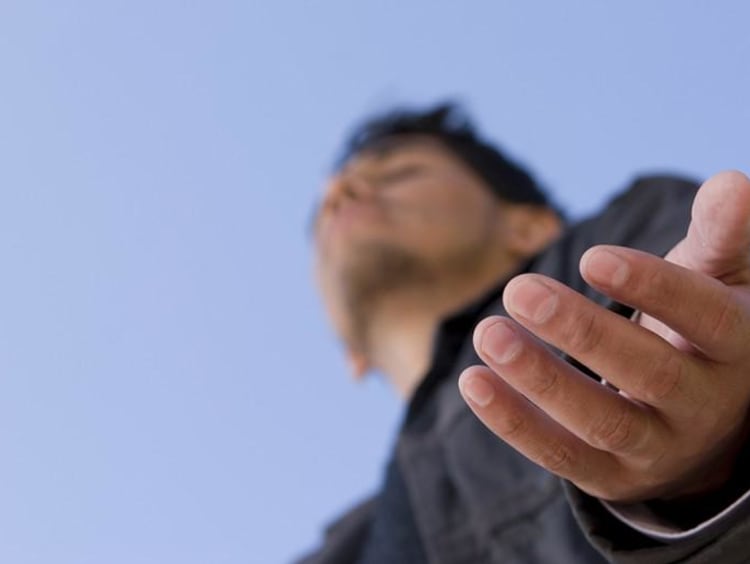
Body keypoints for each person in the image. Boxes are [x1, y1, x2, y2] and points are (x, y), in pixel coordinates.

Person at [298, 103, 750, 563]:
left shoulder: (617, 237)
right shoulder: (338, 552)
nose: (338, 189)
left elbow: (716, 295)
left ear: (529, 227)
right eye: (323, 210)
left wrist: (718, 463)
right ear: (351, 355)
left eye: (398, 172)